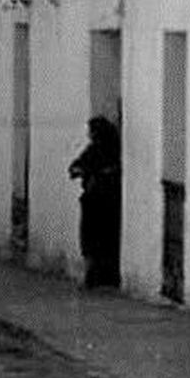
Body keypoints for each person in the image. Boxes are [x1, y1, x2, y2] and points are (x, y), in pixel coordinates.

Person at [69, 115, 122, 289]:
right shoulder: (96, 149)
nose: (89, 135)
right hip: (98, 200)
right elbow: (76, 166)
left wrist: (87, 171)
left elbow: (82, 167)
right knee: (97, 238)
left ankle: (94, 276)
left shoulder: (105, 150)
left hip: (101, 200)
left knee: (92, 238)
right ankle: (95, 275)